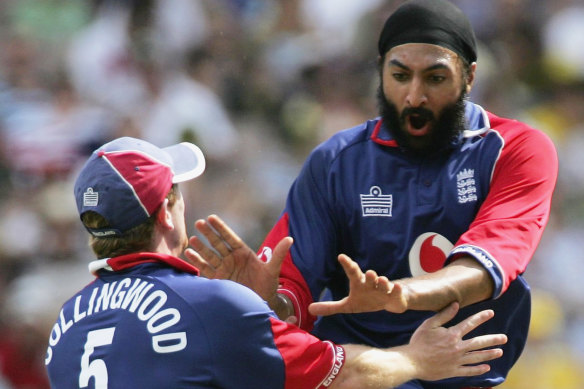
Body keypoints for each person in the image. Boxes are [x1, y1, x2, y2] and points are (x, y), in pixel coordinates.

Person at [185, 1, 558, 388]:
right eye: (400, 75)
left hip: (461, 375)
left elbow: (484, 269)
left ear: (469, 76)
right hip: (359, 375)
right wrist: (265, 301)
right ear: (381, 72)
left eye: (435, 78)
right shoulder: (335, 162)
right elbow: (294, 292)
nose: (415, 96)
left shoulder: (515, 149)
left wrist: (400, 295)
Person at [44, 136, 507, 389]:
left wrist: (263, 308)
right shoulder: (209, 305)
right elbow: (345, 374)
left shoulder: (65, 325)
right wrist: (416, 358)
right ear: (167, 210)